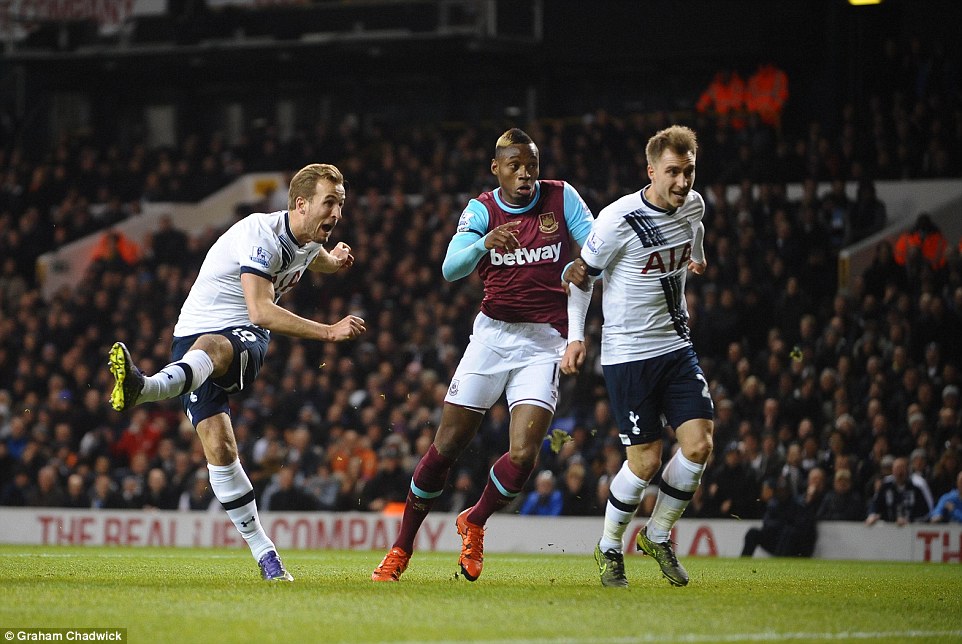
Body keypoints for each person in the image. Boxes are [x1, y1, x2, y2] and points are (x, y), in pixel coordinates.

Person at [108, 163, 366, 582]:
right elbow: (262, 309)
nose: (337, 213)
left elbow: (308, 257)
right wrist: (329, 332)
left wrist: (334, 263)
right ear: (301, 204)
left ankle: (146, 386)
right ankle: (267, 558)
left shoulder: (304, 237)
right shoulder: (260, 236)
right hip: (196, 337)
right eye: (330, 203)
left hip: (238, 338)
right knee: (221, 448)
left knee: (212, 348)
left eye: (340, 204)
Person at [372, 128, 593, 582]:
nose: (526, 175)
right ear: (497, 169)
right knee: (447, 445)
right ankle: (401, 549)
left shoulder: (562, 197)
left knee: (525, 454)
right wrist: (483, 243)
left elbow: (596, 248)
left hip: (543, 342)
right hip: (491, 338)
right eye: (515, 166)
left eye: (532, 165)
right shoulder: (481, 209)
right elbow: (450, 269)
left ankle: (473, 521)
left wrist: (584, 269)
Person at [563, 125, 714, 588]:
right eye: (673, 172)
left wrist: (698, 257)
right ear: (651, 170)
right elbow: (579, 276)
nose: (682, 182)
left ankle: (658, 534)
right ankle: (610, 546)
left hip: (676, 346)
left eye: (688, 171)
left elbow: (697, 228)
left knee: (700, 445)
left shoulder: (693, 204)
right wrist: (574, 337)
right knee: (646, 462)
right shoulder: (617, 220)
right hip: (629, 355)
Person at [865, 456, 930, 526]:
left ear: (907, 471)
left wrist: (910, 521)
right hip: (889, 528)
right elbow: (874, 504)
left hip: (909, 529)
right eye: (897, 469)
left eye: (902, 469)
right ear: (892, 471)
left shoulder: (915, 489)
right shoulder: (885, 488)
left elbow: (924, 511)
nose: (899, 472)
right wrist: (872, 514)